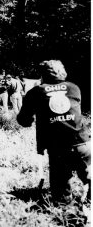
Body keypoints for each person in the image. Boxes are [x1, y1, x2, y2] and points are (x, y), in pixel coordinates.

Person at [17, 60, 91, 205]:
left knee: (61, 193)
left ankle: (67, 217)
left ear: (42, 75)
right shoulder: (74, 88)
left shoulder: (36, 92)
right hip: (83, 142)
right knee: (90, 175)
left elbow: (24, 120)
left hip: (58, 148)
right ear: (62, 72)